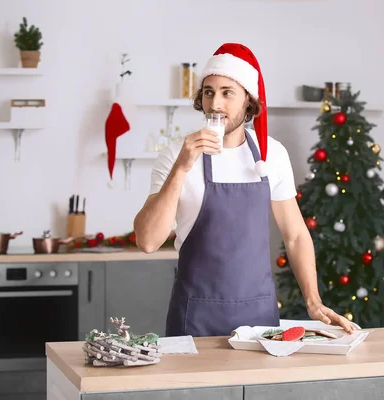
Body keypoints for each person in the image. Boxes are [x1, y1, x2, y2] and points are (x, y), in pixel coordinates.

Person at [133, 43, 355, 337]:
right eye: (209, 92)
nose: (215, 104)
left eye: (227, 93)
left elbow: (296, 234)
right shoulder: (176, 155)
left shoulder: (270, 154)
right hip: (196, 317)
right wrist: (182, 168)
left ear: (248, 102)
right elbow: (147, 241)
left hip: (259, 319)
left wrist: (313, 301)